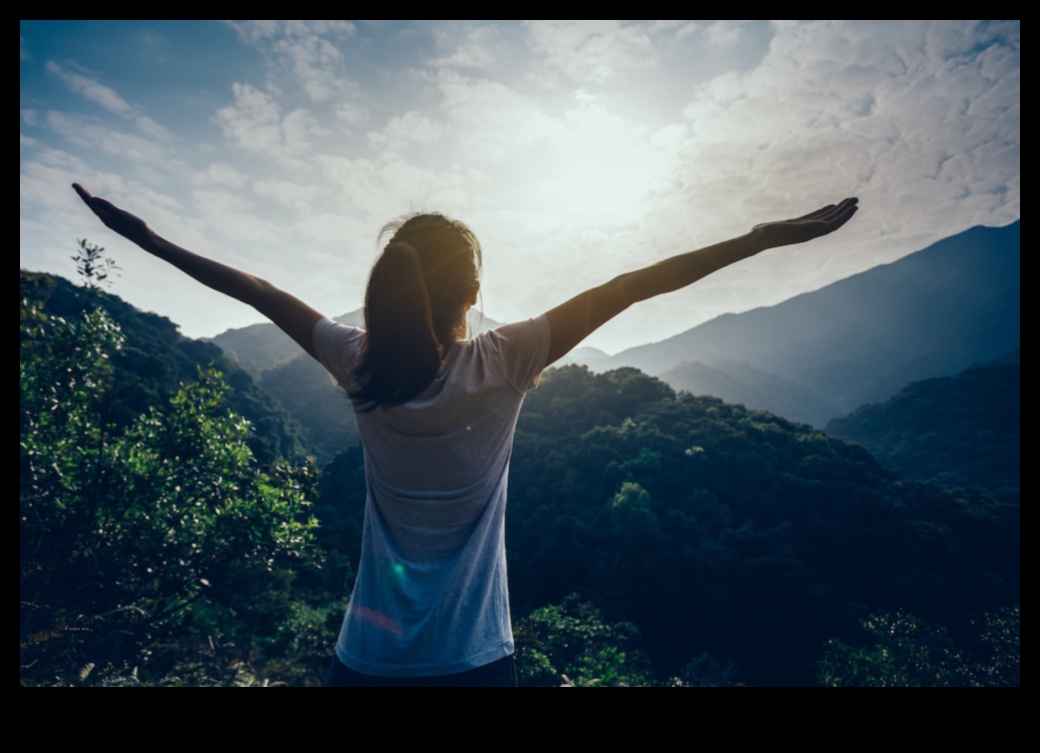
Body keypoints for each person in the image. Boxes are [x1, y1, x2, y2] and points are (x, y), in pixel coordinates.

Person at [73, 183, 858, 686]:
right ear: (474, 292)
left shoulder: (358, 362)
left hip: (365, 661)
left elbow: (256, 289)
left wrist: (142, 235)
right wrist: (758, 237)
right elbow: (633, 284)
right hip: (475, 662)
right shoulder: (507, 359)